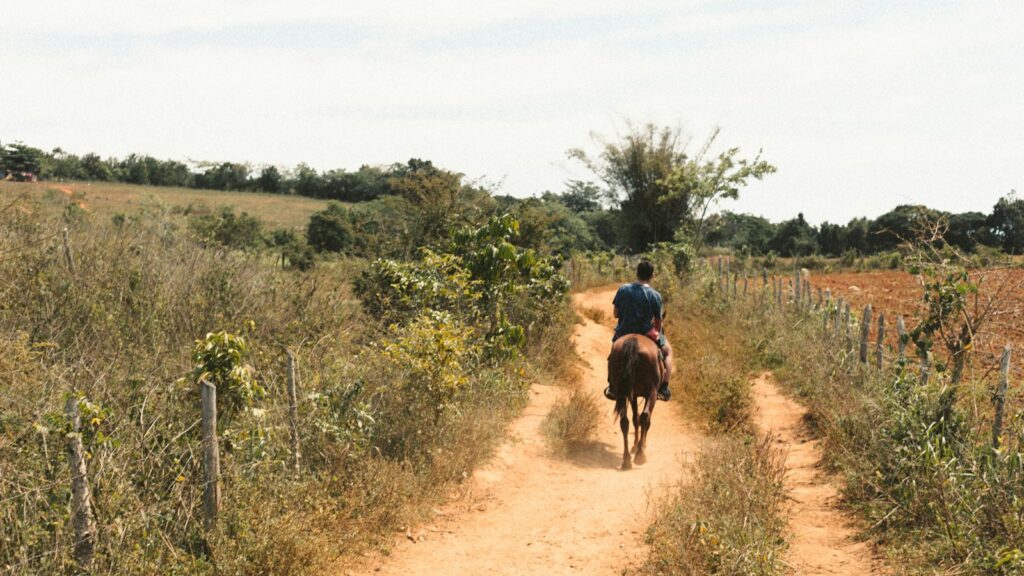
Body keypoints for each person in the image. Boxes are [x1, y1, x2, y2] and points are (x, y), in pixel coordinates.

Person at [604, 260, 673, 401]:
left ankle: (612, 385)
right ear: (652, 275)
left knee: (613, 352)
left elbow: (616, 314)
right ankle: (664, 386)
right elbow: (658, 323)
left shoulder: (623, 289)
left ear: (637, 273)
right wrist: (657, 334)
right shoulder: (655, 295)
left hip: (623, 331)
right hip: (646, 332)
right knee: (667, 352)